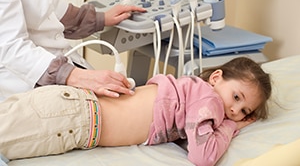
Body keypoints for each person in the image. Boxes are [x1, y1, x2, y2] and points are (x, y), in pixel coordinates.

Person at [0, 57, 272, 166]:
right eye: (236, 96)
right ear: (216, 78)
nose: (233, 109)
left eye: (243, 111)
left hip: (71, 105)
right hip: (74, 119)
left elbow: (190, 133)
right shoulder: (209, 101)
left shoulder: (189, 89)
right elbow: (203, 156)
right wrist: (230, 127)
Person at [0, 0, 146, 101]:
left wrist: (100, 18)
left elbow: (46, 5)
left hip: (58, 67)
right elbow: (9, 46)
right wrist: (72, 75)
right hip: (26, 83)